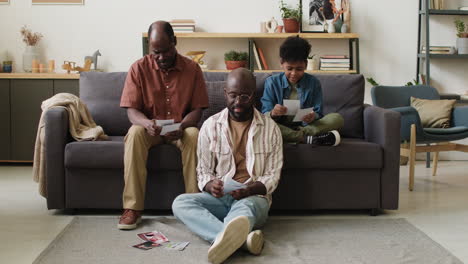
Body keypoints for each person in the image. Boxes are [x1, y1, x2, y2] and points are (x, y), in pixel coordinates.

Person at [172, 68, 283, 264]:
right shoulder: (210, 126)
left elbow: (273, 175)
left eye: (244, 96)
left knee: (243, 210)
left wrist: (250, 189)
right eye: (233, 95)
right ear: (225, 94)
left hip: (254, 198)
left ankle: (229, 235)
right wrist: (209, 185)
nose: (238, 102)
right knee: (181, 203)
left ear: (253, 95)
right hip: (221, 198)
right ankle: (243, 241)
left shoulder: (270, 128)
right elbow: (203, 170)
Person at [118, 21, 209, 230]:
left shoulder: (192, 69)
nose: (160, 57)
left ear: (175, 42)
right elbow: (131, 111)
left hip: (181, 128)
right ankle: (132, 208)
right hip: (150, 130)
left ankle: (194, 205)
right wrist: (145, 123)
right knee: (134, 133)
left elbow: (198, 109)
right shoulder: (138, 68)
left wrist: (184, 124)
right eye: (155, 52)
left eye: (165, 51)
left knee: (195, 134)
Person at [261, 36, 344, 146]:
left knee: (337, 118)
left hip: (306, 126)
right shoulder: (271, 82)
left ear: (305, 64)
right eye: (289, 68)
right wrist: (273, 113)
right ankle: (307, 138)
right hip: (280, 126)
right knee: (263, 125)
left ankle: (297, 135)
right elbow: (264, 114)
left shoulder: (314, 83)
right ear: (281, 63)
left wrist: (312, 116)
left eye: (299, 69)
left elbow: (318, 112)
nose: (294, 73)